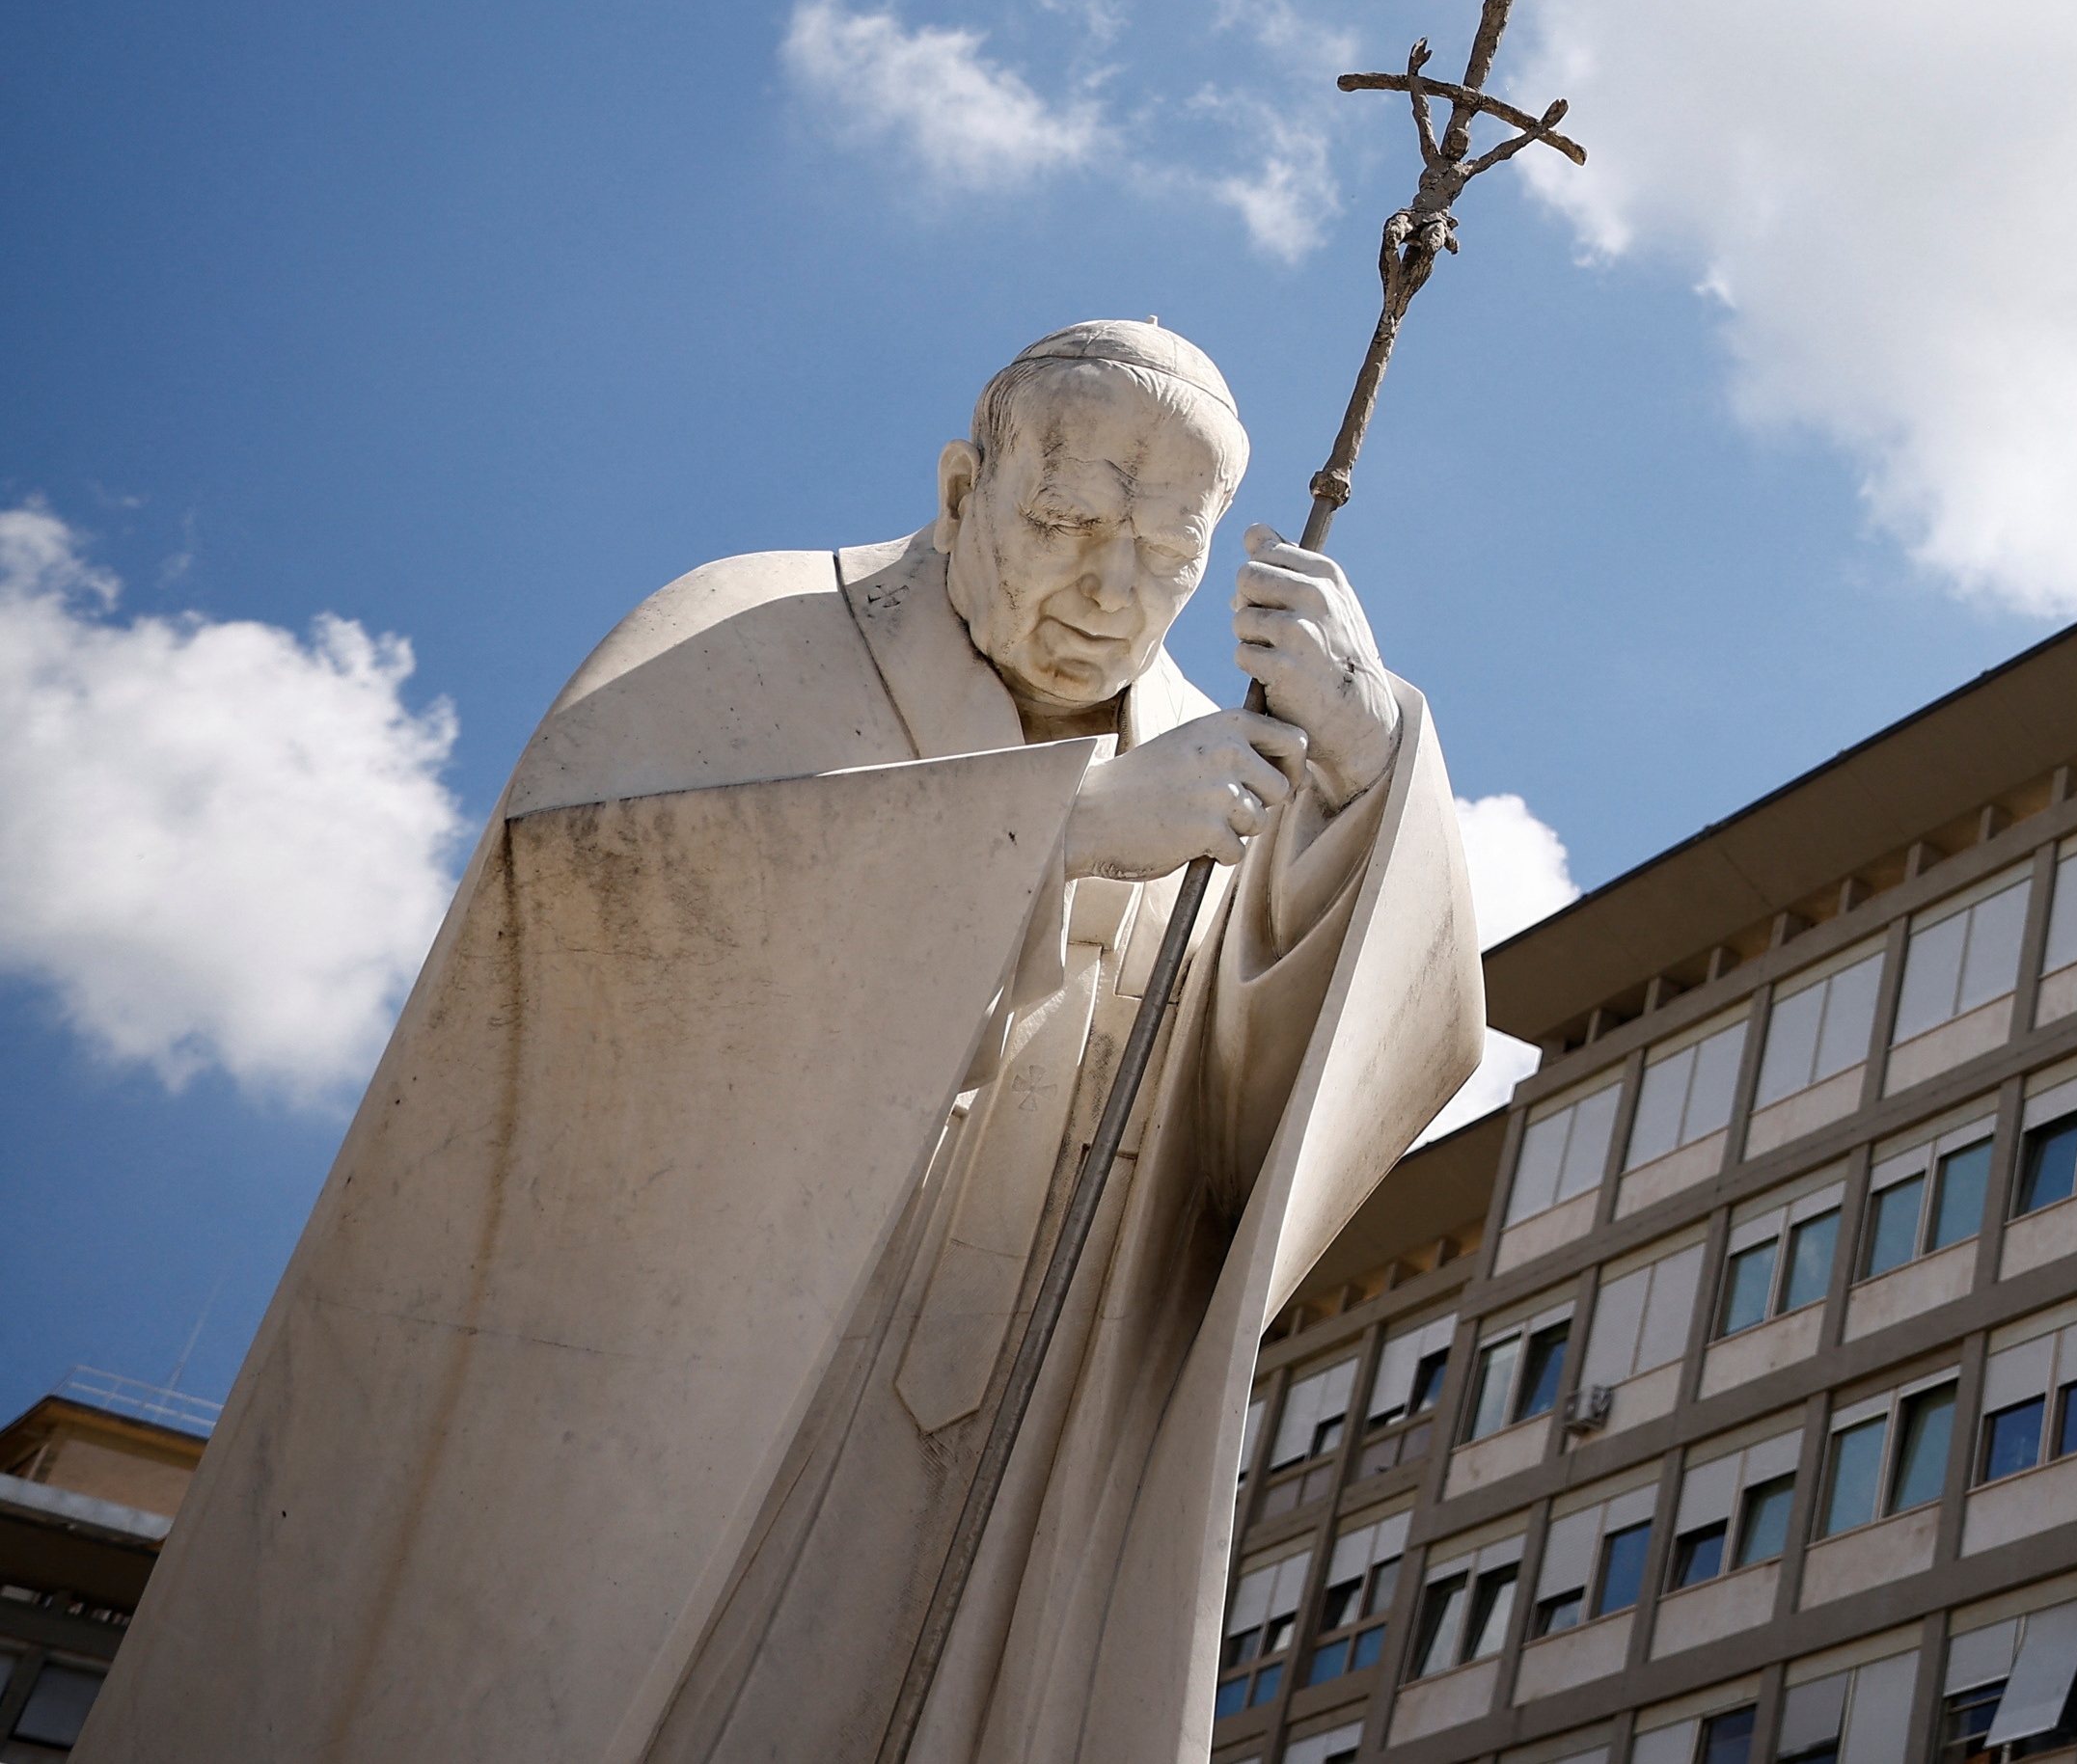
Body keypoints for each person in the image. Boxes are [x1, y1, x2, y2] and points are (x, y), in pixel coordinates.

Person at [99, 320, 1485, 1763]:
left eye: (1167, 554)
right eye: (1067, 523)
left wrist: (1365, 771)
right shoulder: (744, 635)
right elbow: (572, 931)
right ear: (963, 489)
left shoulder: (1213, 780)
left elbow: (1268, 1124)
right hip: (657, 1445)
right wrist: (1052, 844)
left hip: (988, 1482)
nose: (1113, 591)